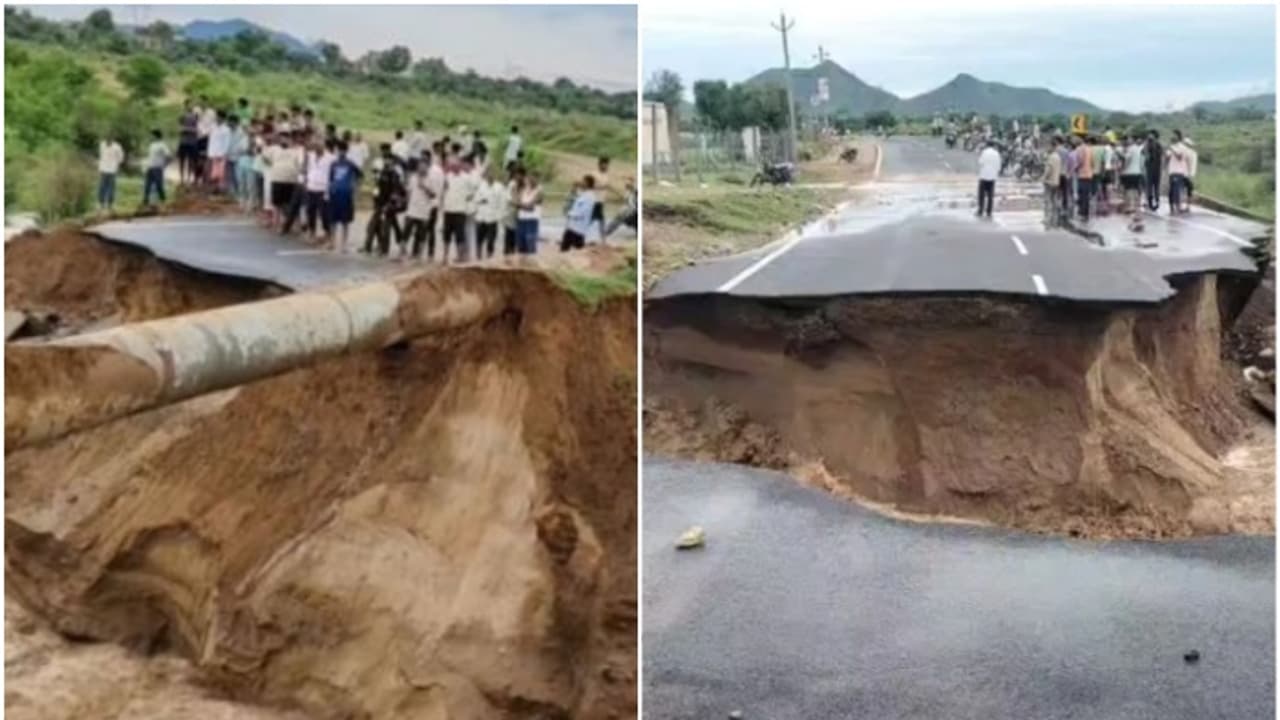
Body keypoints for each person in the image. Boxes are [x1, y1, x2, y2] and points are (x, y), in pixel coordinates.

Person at [367, 143, 406, 256]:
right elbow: (377, 186)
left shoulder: (395, 172)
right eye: (383, 151)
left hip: (391, 203)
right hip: (381, 201)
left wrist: (391, 203)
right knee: (380, 224)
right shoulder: (382, 171)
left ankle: (383, 248)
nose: (386, 160)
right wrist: (376, 199)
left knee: (386, 226)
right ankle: (379, 246)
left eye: (388, 159)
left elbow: (398, 189)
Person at [327, 141, 362, 253]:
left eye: (343, 150)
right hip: (335, 193)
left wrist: (355, 187)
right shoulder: (333, 164)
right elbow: (330, 179)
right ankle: (332, 241)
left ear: (346, 151)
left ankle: (344, 244)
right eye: (339, 150)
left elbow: (360, 175)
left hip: (346, 194)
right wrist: (330, 190)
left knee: (345, 220)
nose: (341, 152)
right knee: (333, 219)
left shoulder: (350, 164)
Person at [265, 134, 304, 231]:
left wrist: (297, 171)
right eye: (282, 139)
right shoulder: (274, 149)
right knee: (277, 203)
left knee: (289, 203)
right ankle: (276, 224)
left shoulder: (296, 151)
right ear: (279, 140)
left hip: (291, 180)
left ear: (290, 140)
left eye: (286, 139)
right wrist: (272, 165)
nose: (284, 140)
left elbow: (300, 164)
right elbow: (264, 157)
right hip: (277, 178)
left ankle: (289, 224)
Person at [403, 156, 439, 261]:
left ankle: (419, 255)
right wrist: (407, 204)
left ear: (427, 167)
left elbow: (433, 195)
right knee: (406, 231)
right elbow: (409, 192)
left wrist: (424, 187)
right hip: (412, 210)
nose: (421, 168)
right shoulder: (413, 178)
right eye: (420, 166)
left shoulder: (431, 179)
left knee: (422, 234)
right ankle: (402, 252)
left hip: (424, 211)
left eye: (423, 166)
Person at [440, 157, 474, 264]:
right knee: (446, 234)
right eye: (452, 165)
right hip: (448, 209)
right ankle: (445, 256)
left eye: (456, 165)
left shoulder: (466, 178)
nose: (454, 167)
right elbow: (444, 190)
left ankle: (460, 256)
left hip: (460, 210)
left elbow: (471, 193)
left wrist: (463, 199)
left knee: (460, 235)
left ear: (460, 166)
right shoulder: (447, 177)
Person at [474, 167, 504, 259]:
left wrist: (499, 216)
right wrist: (481, 200)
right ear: (486, 175)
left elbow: (502, 202)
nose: (490, 175)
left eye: (492, 173)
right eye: (488, 173)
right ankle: (478, 257)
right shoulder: (481, 185)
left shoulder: (499, 187)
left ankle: (489, 257)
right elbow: (476, 198)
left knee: (491, 240)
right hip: (481, 217)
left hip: (493, 218)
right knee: (479, 239)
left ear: (495, 175)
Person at [562, 175, 597, 251]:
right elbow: (573, 194)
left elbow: (582, 212)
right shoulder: (583, 194)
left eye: (583, 181)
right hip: (572, 226)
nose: (581, 183)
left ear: (587, 183)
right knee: (566, 248)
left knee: (575, 249)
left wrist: (569, 214)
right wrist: (574, 187)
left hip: (579, 228)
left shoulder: (590, 197)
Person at [516, 173, 543, 255]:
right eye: (527, 180)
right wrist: (524, 206)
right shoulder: (523, 191)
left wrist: (522, 205)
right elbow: (518, 204)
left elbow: (530, 207)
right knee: (521, 243)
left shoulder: (539, 191)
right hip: (521, 219)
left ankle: (532, 261)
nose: (528, 182)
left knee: (530, 242)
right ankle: (522, 261)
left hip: (532, 220)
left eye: (530, 180)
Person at [1166, 130, 1192, 215]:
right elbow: (1167, 157)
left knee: (1176, 190)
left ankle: (1178, 208)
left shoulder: (1182, 147)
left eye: (1174, 135)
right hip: (1171, 171)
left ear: (1178, 137)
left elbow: (1179, 157)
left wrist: (1171, 148)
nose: (1172, 136)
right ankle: (1171, 208)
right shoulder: (1172, 146)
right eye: (1172, 135)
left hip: (1179, 171)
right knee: (1171, 191)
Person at [96, 136, 124, 212]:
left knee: (111, 188)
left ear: (112, 140)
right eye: (107, 140)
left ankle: (110, 204)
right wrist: (100, 167)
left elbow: (121, 158)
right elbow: (101, 156)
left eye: (110, 140)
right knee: (101, 187)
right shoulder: (102, 145)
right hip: (103, 169)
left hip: (112, 170)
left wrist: (115, 164)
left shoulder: (117, 147)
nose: (108, 141)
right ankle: (101, 203)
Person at [1119, 134, 1146, 215]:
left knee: (1128, 190)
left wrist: (1120, 154)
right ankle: (1136, 206)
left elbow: (1126, 159)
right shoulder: (1138, 149)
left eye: (1126, 140)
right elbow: (1142, 161)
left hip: (1129, 172)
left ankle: (1130, 207)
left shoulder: (1130, 149)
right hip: (1137, 172)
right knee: (1136, 189)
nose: (1125, 142)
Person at [143, 129, 170, 206]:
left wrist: (164, 165)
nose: (151, 137)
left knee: (159, 185)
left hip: (157, 168)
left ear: (156, 136)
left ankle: (163, 200)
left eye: (152, 135)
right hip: (150, 167)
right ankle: (145, 201)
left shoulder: (162, 145)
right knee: (147, 185)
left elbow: (168, 156)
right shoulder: (151, 145)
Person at [1040, 136, 1063, 228]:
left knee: (1048, 200)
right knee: (1054, 200)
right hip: (1056, 181)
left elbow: (1048, 169)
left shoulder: (1051, 157)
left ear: (1052, 146)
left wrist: (1043, 178)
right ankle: (1054, 217)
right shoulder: (1057, 157)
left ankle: (1047, 218)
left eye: (1048, 146)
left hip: (1049, 182)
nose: (1046, 148)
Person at [207, 111, 232, 192]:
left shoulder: (226, 129)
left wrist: (222, 153)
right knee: (213, 172)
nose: (218, 119)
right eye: (217, 117)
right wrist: (210, 152)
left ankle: (220, 188)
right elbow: (211, 140)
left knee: (220, 172)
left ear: (223, 119)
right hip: (213, 152)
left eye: (219, 117)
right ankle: (214, 188)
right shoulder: (213, 127)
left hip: (221, 154)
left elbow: (227, 143)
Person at [177, 100, 200, 185]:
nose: (190, 106)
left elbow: (196, 129)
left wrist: (186, 129)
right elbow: (179, 129)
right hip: (183, 141)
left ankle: (189, 178)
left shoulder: (196, 115)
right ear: (185, 106)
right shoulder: (182, 115)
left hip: (192, 142)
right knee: (181, 160)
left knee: (191, 161)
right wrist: (189, 129)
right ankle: (181, 178)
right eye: (188, 105)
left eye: (191, 104)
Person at [976, 141, 1000, 219]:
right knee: (990, 196)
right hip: (992, 177)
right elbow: (998, 166)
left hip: (984, 176)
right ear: (993, 146)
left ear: (987, 145)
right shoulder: (996, 153)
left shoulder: (984, 152)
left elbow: (980, 162)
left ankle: (980, 210)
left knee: (981, 195)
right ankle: (989, 212)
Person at [1074, 135, 1094, 220]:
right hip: (1089, 174)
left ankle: (1082, 213)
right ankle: (1086, 213)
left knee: (1082, 194)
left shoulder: (1080, 149)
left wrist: (1076, 168)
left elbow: (1080, 161)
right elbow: (1092, 162)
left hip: (1082, 174)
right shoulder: (1090, 149)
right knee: (1086, 194)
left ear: (1081, 139)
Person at [592, 156, 612, 242]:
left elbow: (607, 187)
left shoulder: (606, 175)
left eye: (607, 164)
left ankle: (603, 239)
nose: (606, 166)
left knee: (599, 219)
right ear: (600, 164)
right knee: (600, 219)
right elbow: (590, 186)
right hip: (593, 200)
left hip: (601, 201)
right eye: (605, 164)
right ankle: (603, 239)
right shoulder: (594, 174)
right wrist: (603, 187)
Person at [1143, 130, 1164, 212]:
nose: (1150, 137)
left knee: (1154, 186)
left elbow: (1161, 154)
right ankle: (1151, 202)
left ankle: (1155, 202)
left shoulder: (1158, 145)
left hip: (1155, 168)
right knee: (1151, 186)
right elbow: (1144, 154)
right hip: (1151, 168)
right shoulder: (1148, 145)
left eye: (1151, 136)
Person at [235, 143, 258, 213]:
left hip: (251, 166)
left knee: (250, 186)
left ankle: (251, 204)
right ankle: (242, 204)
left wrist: (250, 151)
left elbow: (256, 153)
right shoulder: (242, 140)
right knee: (241, 185)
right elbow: (237, 152)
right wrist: (243, 151)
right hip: (241, 164)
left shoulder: (257, 141)